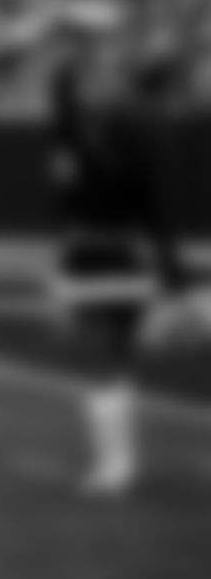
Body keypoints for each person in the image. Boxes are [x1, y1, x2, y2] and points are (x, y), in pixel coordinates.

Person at [47, 57, 185, 497]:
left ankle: (114, 466)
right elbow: (158, 221)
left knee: (100, 367)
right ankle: (121, 462)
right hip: (129, 264)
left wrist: (67, 65)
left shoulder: (84, 159)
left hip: (90, 263)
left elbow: (64, 116)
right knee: (118, 365)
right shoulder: (137, 164)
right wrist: (172, 277)